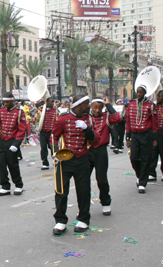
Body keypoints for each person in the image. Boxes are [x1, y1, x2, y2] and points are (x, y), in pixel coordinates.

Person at [51, 95, 100, 235]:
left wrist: (86, 129)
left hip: (82, 159)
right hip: (64, 160)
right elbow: (54, 137)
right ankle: (60, 220)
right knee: (61, 191)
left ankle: (83, 218)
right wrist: (55, 154)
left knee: (83, 190)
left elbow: (95, 141)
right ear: (79, 105)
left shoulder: (88, 119)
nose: (89, 106)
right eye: (87, 104)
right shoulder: (63, 118)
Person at [88, 97, 121, 216]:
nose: (97, 110)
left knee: (101, 179)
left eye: (100, 108)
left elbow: (117, 118)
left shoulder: (106, 116)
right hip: (87, 150)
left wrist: (108, 105)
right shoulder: (86, 116)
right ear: (91, 106)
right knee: (84, 180)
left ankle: (106, 202)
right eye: (95, 107)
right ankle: (84, 206)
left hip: (101, 151)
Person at [0, 92, 27, 196]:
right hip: (2, 140)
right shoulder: (0, 111)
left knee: (13, 164)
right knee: (2, 165)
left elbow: (22, 129)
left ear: (13, 101)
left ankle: (18, 185)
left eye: (7, 102)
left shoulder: (19, 112)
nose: (5, 104)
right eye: (4, 102)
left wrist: (16, 143)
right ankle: (5, 186)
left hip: (12, 141)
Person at [126, 85, 154, 194]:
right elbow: (128, 120)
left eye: (141, 92)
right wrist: (128, 137)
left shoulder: (150, 105)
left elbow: (154, 122)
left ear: (145, 93)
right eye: (137, 92)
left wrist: (154, 138)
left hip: (146, 134)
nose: (139, 94)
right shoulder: (131, 104)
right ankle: (139, 175)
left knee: (145, 158)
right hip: (135, 134)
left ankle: (142, 183)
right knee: (133, 157)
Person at [38, 97, 59, 170]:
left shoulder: (56, 111)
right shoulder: (41, 110)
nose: (53, 103)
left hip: (51, 132)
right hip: (43, 131)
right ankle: (45, 163)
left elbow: (57, 122)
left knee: (52, 146)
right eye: (51, 102)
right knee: (43, 147)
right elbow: (37, 120)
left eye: (53, 102)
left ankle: (56, 160)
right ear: (47, 102)